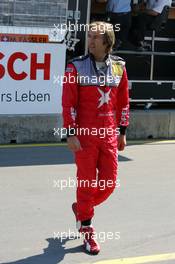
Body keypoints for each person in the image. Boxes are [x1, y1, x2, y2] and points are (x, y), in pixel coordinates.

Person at [62, 21, 129, 255]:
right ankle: (87, 230)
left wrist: (122, 131)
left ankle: (81, 208)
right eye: (88, 36)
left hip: (109, 134)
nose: (89, 41)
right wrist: (70, 132)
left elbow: (123, 102)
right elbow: (68, 102)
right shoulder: (75, 67)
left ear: (107, 41)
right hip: (85, 135)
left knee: (109, 183)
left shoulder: (119, 67)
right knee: (87, 182)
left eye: (95, 37)